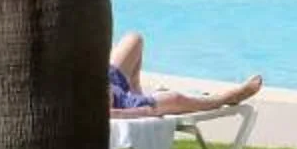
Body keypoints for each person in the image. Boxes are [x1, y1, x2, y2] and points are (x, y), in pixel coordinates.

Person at [108, 31, 264, 118]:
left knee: (134, 39)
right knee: (175, 98)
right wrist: (144, 111)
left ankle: (136, 92)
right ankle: (227, 98)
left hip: (109, 80)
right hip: (117, 102)